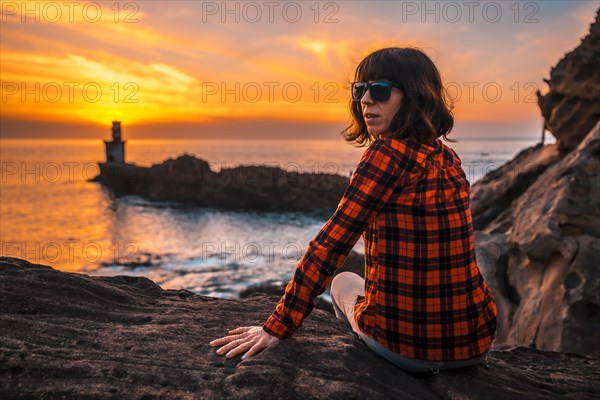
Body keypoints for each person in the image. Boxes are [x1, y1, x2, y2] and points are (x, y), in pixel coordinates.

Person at [209, 47, 497, 373]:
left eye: (381, 90)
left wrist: (275, 327)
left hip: (409, 348)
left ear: (415, 95)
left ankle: (366, 367)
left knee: (343, 280)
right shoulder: (448, 158)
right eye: (360, 90)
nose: (366, 100)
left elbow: (329, 245)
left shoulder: (386, 154)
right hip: (475, 341)